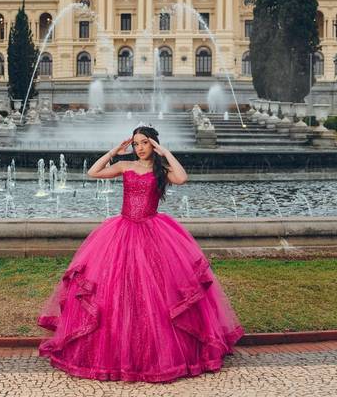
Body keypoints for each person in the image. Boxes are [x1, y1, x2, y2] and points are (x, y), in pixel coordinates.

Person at [37, 125, 244, 383]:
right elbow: (94, 172)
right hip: (122, 232)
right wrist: (115, 150)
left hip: (153, 232)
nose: (140, 148)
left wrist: (165, 152)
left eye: (144, 143)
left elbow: (182, 178)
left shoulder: (162, 170)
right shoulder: (126, 166)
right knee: (117, 290)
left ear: (153, 144)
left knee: (156, 290)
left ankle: (158, 351)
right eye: (136, 143)